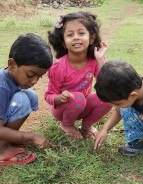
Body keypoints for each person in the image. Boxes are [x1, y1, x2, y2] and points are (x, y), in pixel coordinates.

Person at [45, 11, 112, 140]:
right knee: (78, 97)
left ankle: (86, 126)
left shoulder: (94, 61)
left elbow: (106, 82)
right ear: (64, 42)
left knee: (107, 97)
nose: (76, 37)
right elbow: (49, 96)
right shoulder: (59, 67)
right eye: (70, 35)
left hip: (83, 104)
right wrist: (60, 98)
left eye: (81, 33)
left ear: (91, 38)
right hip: (62, 108)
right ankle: (66, 125)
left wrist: (100, 59)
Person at [0, 33, 53, 166]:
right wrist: (30, 136)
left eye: (39, 77)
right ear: (12, 64)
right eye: (31, 75)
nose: (35, 81)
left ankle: (8, 140)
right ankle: (1, 150)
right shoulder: (2, 87)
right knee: (21, 100)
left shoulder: (12, 79)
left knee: (30, 95)